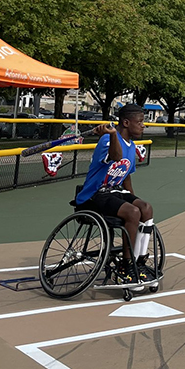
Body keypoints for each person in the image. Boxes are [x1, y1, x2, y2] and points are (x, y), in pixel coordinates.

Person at [75, 104, 153, 285]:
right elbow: (117, 157)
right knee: (132, 213)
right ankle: (126, 265)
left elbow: (126, 178)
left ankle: (139, 260)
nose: (143, 125)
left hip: (115, 193)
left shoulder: (131, 145)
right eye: (140, 122)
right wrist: (110, 134)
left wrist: (136, 200)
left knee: (145, 209)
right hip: (94, 195)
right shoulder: (107, 140)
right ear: (126, 122)